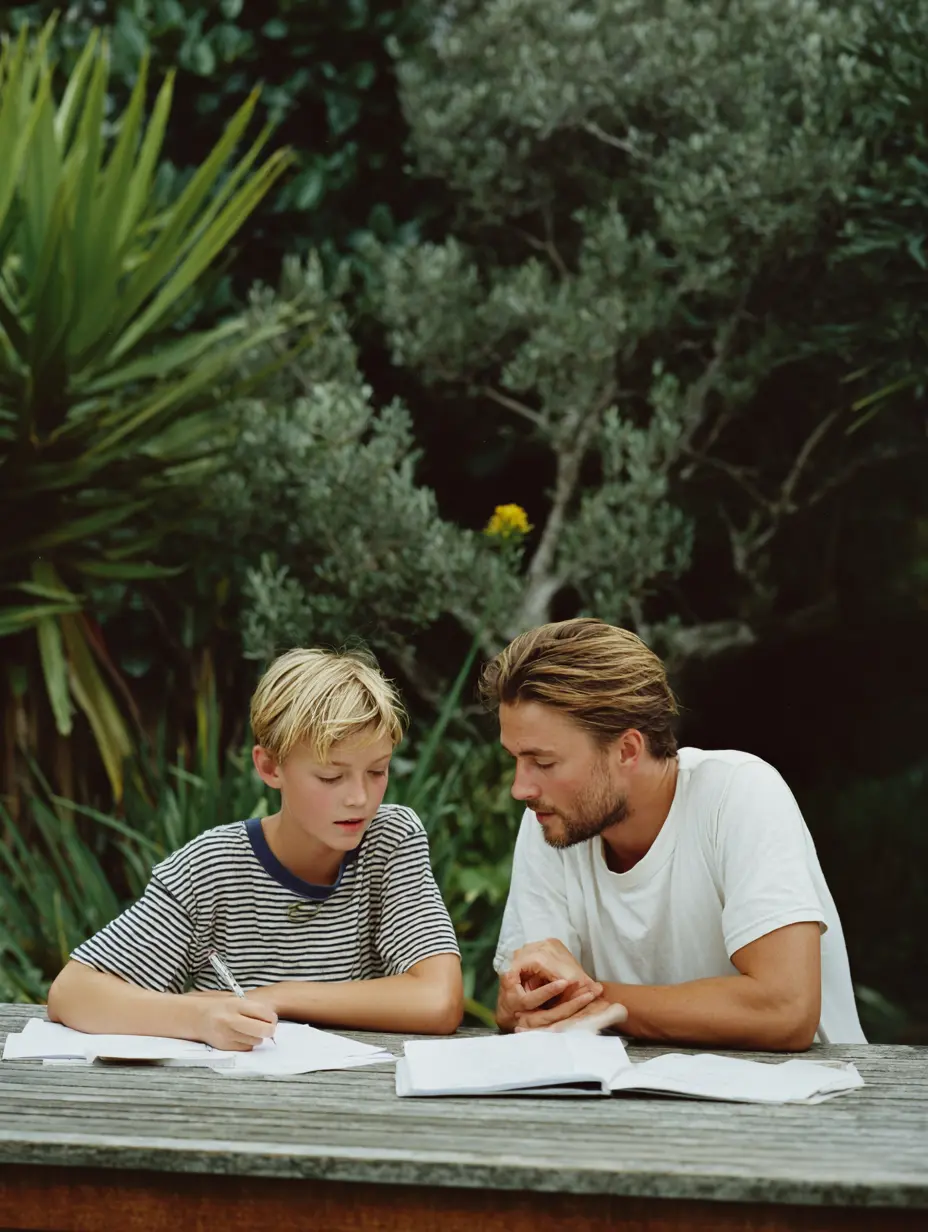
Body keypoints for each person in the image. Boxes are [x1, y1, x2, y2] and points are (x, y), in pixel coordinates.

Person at [48, 647, 463, 1049]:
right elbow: (72, 992)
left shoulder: (390, 839)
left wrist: (270, 997)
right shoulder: (210, 866)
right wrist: (200, 1019)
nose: (359, 798)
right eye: (330, 777)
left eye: (377, 770)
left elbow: (438, 1001)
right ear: (269, 767)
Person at [481, 618, 865, 1049]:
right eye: (515, 758)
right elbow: (536, 1003)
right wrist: (518, 1004)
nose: (521, 788)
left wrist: (598, 1000)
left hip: (806, 1104)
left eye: (544, 763)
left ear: (627, 750)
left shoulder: (738, 794)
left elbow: (785, 1010)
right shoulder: (553, 822)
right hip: (640, 1104)